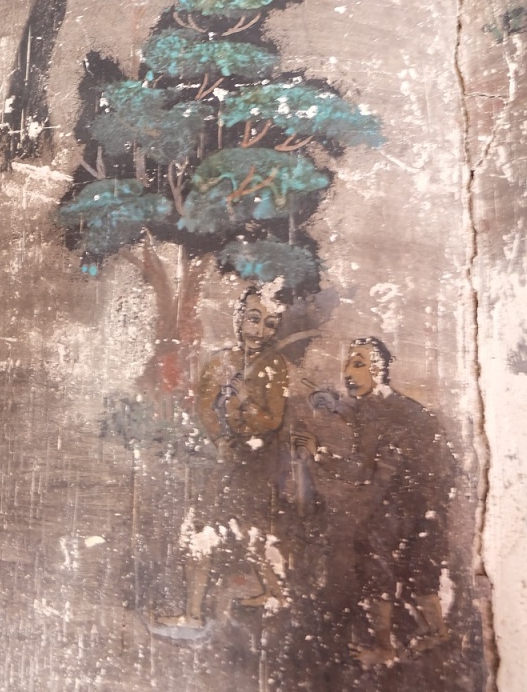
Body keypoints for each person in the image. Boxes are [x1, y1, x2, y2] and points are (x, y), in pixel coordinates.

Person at [310, 337, 453, 668]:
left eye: (358, 363)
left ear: (380, 369)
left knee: (375, 556)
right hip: (427, 500)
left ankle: (383, 647)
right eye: (348, 363)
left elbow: (361, 469)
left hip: (412, 498)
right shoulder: (390, 405)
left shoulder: (377, 410)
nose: (348, 372)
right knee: (419, 566)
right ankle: (437, 630)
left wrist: (318, 454)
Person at [155, 285, 290, 632]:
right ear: (239, 318)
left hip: (256, 462)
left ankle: (196, 614)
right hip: (230, 458)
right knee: (230, 530)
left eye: (270, 324)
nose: (260, 331)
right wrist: (220, 439)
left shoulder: (274, 366)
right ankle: (269, 596)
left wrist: (244, 400)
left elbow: (272, 421)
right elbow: (204, 408)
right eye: (254, 319)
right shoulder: (222, 361)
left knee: (224, 530)